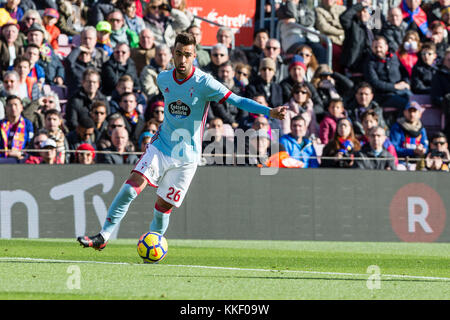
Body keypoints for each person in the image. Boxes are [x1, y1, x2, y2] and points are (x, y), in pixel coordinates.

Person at [77, 32, 287, 250]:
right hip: (161, 146)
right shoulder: (163, 78)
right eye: (178, 54)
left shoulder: (205, 82)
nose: (182, 59)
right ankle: (103, 236)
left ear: (194, 55)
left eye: (187, 54)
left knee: (162, 208)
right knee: (131, 188)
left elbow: (237, 99)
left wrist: (269, 111)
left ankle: (154, 245)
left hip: (187, 158)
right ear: (173, 54)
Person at [364, 36, 411, 112]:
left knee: (415, 101)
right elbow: (374, 82)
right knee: (406, 104)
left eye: (380, 47)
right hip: (384, 96)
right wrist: (394, 86)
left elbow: (404, 72)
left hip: (402, 90)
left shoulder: (394, 58)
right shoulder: (369, 63)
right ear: (372, 48)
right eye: (375, 47)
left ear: (386, 47)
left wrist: (406, 82)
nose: (378, 50)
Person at [389, 101, 429, 170]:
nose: (412, 114)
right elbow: (394, 148)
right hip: (401, 162)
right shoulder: (397, 127)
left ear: (420, 114)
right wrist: (412, 151)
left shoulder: (422, 129)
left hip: (417, 162)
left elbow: (425, 146)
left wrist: (423, 150)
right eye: (409, 111)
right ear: (404, 112)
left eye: (415, 111)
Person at [315, 0, 346, 72]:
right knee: (337, 54)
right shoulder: (318, 10)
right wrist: (341, 31)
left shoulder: (342, 9)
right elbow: (324, 27)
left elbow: (347, 24)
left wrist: (332, 23)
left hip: (343, 41)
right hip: (329, 41)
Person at [0, 95, 34, 161]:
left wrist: (20, 153)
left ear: (21, 107)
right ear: (5, 108)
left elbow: (30, 144)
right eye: (10, 105)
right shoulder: (1, 124)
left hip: (21, 158)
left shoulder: (27, 124)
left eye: (16, 105)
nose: (13, 108)